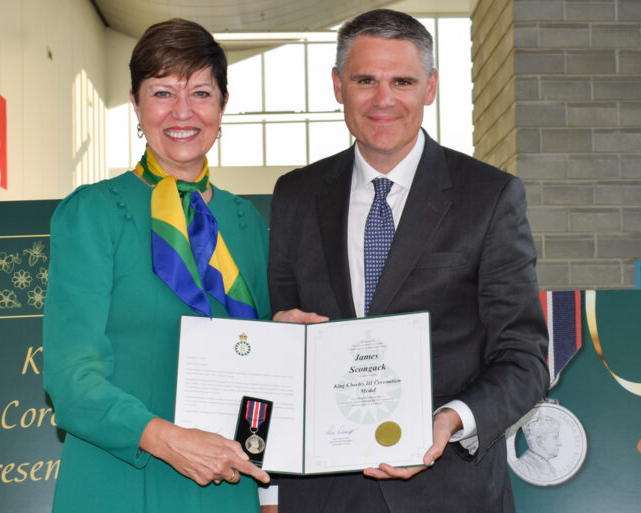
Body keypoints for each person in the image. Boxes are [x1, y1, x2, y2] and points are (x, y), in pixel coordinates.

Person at [267, 9, 549, 513]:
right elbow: (280, 336)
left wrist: (449, 420)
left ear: (431, 86)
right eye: (365, 80)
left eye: (402, 81)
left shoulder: (489, 196)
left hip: (451, 493)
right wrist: (280, 339)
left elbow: (524, 358)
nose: (383, 99)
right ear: (337, 86)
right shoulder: (295, 196)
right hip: (323, 495)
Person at [43, 18, 271, 513]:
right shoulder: (93, 214)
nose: (183, 112)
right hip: (120, 480)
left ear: (223, 105)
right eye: (164, 92)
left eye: (202, 93)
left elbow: (263, 361)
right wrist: (168, 440)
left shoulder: (247, 221)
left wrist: (294, 339)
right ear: (136, 103)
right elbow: (70, 382)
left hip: (225, 487)